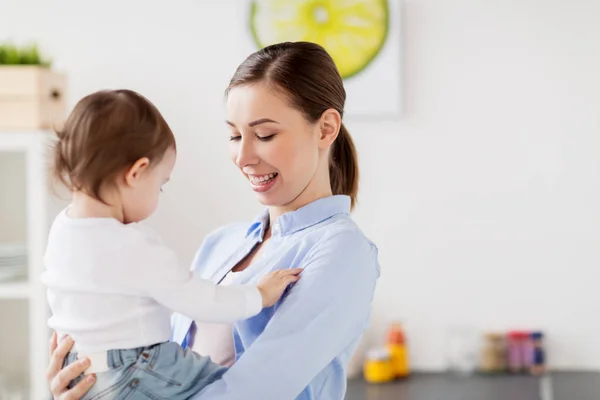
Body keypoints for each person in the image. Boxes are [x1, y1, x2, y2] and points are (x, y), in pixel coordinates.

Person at [46, 41, 380, 400]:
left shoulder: (342, 252)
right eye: (235, 135)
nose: (242, 155)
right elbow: (154, 369)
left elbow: (257, 390)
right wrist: (93, 385)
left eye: (265, 135)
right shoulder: (220, 244)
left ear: (326, 129)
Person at [41, 89, 302, 399]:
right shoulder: (132, 244)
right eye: (160, 185)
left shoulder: (61, 230)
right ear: (136, 173)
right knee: (234, 386)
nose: (158, 196)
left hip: (77, 373)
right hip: (135, 368)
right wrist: (258, 296)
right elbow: (198, 299)